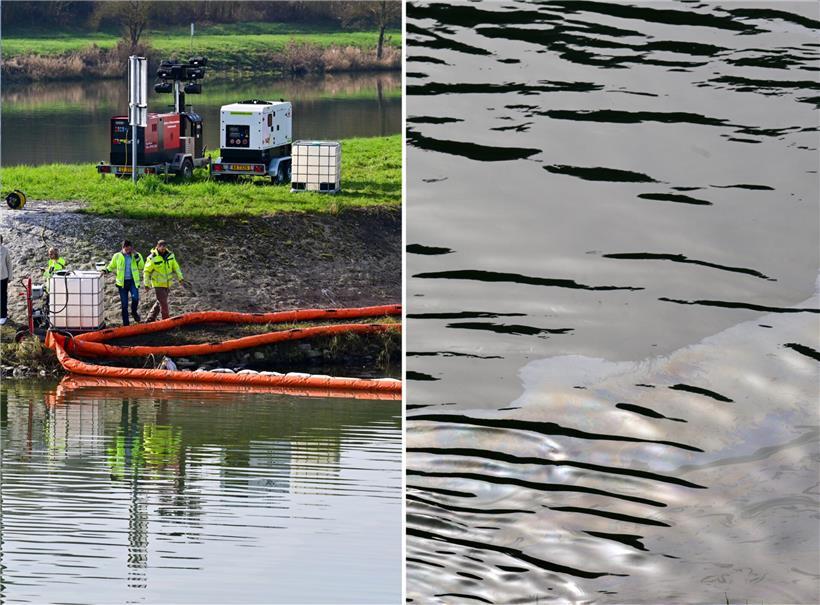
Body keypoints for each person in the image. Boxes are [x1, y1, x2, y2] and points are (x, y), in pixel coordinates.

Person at [103, 240, 145, 326]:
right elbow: (111, 266)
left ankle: (134, 312)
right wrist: (105, 271)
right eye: (127, 249)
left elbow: (142, 266)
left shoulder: (137, 255)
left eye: (130, 249)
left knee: (135, 299)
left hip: (133, 282)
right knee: (124, 305)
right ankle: (126, 324)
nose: (128, 251)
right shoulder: (117, 256)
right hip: (122, 284)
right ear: (123, 248)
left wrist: (137, 256)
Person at [143, 239, 185, 322]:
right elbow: (146, 271)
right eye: (161, 246)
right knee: (164, 304)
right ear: (157, 247)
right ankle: (166, 321)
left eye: (164, 247)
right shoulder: (152, 258)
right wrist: (146, 284)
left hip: (167, 284)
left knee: (160, 302)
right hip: (158, 284)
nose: (162, 248)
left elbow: (176, 267)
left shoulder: (170, 256)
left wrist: (180, 278)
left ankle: (150, 318)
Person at [0, 235, 12, 325]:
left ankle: (3, 315)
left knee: (2, 297)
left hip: (3, 277)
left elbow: (9, 264)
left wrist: (10, 277)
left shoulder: (5, 250)